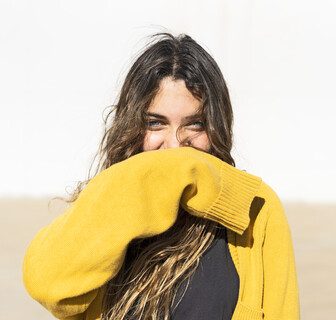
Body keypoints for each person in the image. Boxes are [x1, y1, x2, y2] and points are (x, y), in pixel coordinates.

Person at [23, 33, 299, 320]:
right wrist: (143, 180)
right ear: (131, 126)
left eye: (195, 124)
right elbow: (47, 285)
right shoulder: (110, 200)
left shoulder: (253, 208)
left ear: (218, 126)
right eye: (156, 123)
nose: (176, 145)